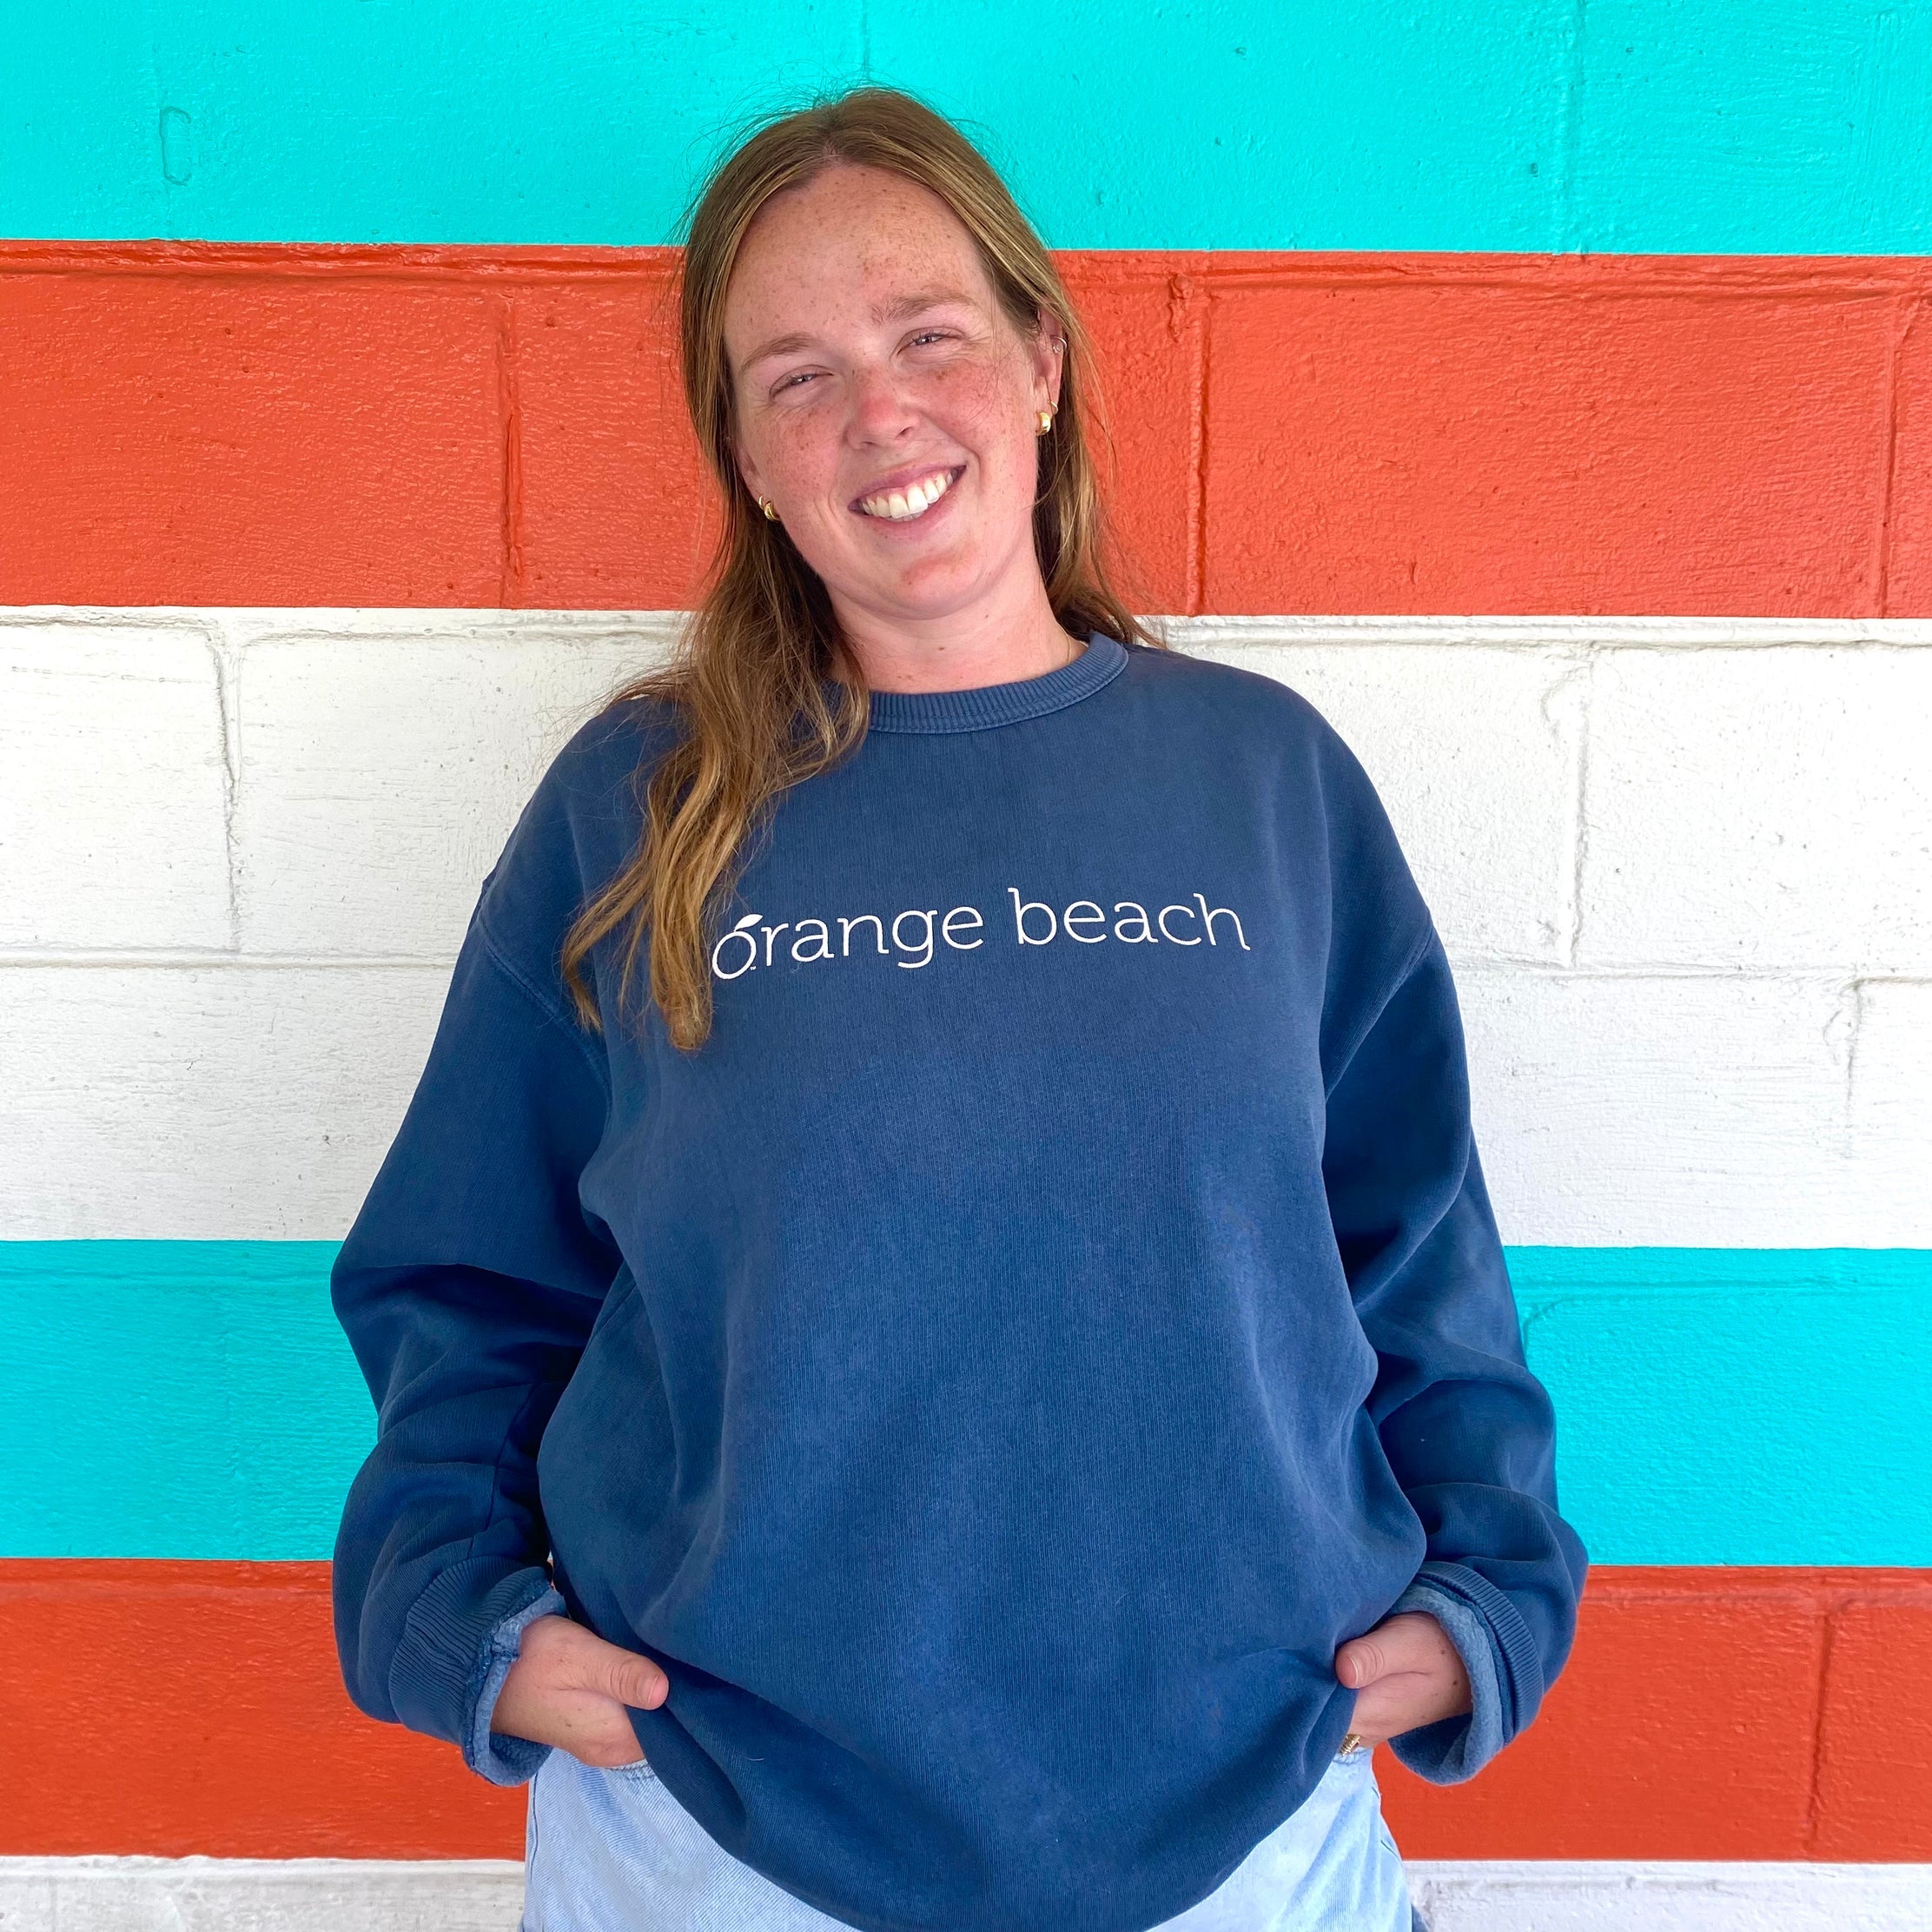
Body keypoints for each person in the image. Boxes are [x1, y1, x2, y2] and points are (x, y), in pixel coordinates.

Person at [330, 85, 1587, 1932]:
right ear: (748, 460)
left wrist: (1487, 1588)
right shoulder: (634, 808)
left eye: (928, 335)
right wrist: (456, 1609)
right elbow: (469, 1272)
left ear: (1041, 363)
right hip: (721, 1824)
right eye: (797, 376)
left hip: (1244, 1808)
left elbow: (1411, 1242)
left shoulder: (1261, 779)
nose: (879, 413)